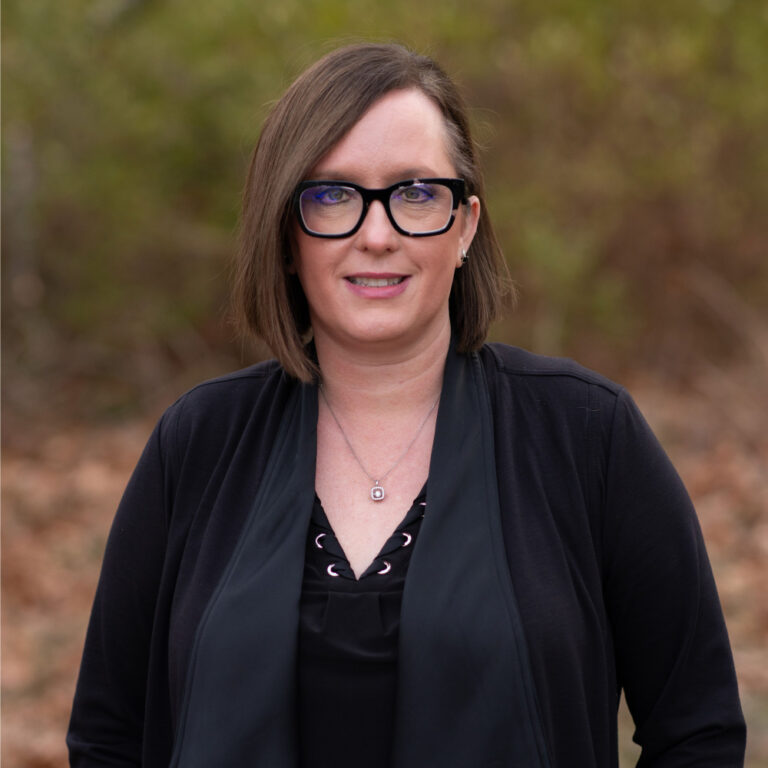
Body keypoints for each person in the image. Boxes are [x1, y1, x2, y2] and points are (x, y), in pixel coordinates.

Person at [67, 43, 746, 768]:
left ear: (466, 225)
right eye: (331, 196)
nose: (378, 234)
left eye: (416, 194)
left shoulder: (587, 435)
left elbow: (697, 731)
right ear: (287, 235)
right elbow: (109, 737)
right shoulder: (198, 444)